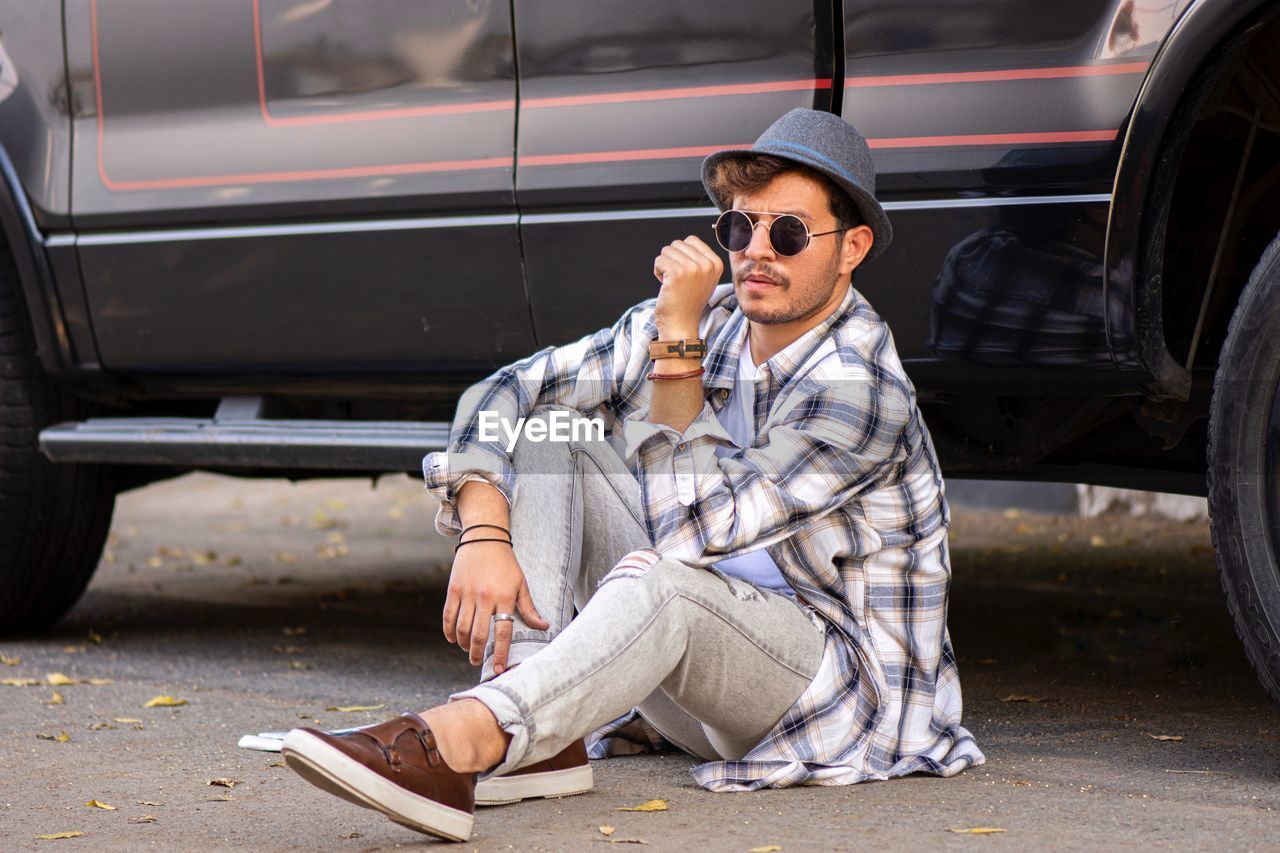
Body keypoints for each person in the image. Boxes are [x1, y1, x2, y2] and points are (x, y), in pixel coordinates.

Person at [280, 108, 985, 842]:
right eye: (740, 229)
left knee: (667, 579)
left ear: (852, 248)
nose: (756, 253)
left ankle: (470, 734)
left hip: (829, 704)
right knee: (558, 433)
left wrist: (675, 344)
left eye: (789, 232)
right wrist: (483, 526)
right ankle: (535, 744)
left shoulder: (859, 389)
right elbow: (505, 394)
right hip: (695, 671)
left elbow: (687, 537)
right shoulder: (710, 317)